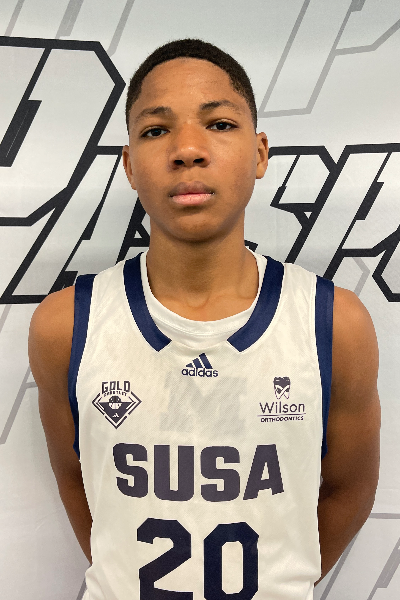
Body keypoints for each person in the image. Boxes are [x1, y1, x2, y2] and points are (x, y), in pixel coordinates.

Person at [29, 39, 380, 600]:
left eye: (218, 124)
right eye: (155, 130)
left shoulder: (335, 324)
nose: (188, 149)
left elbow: (348, 490)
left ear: (259, 153)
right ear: (129, 166)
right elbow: (79, 482)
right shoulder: (65, 325)